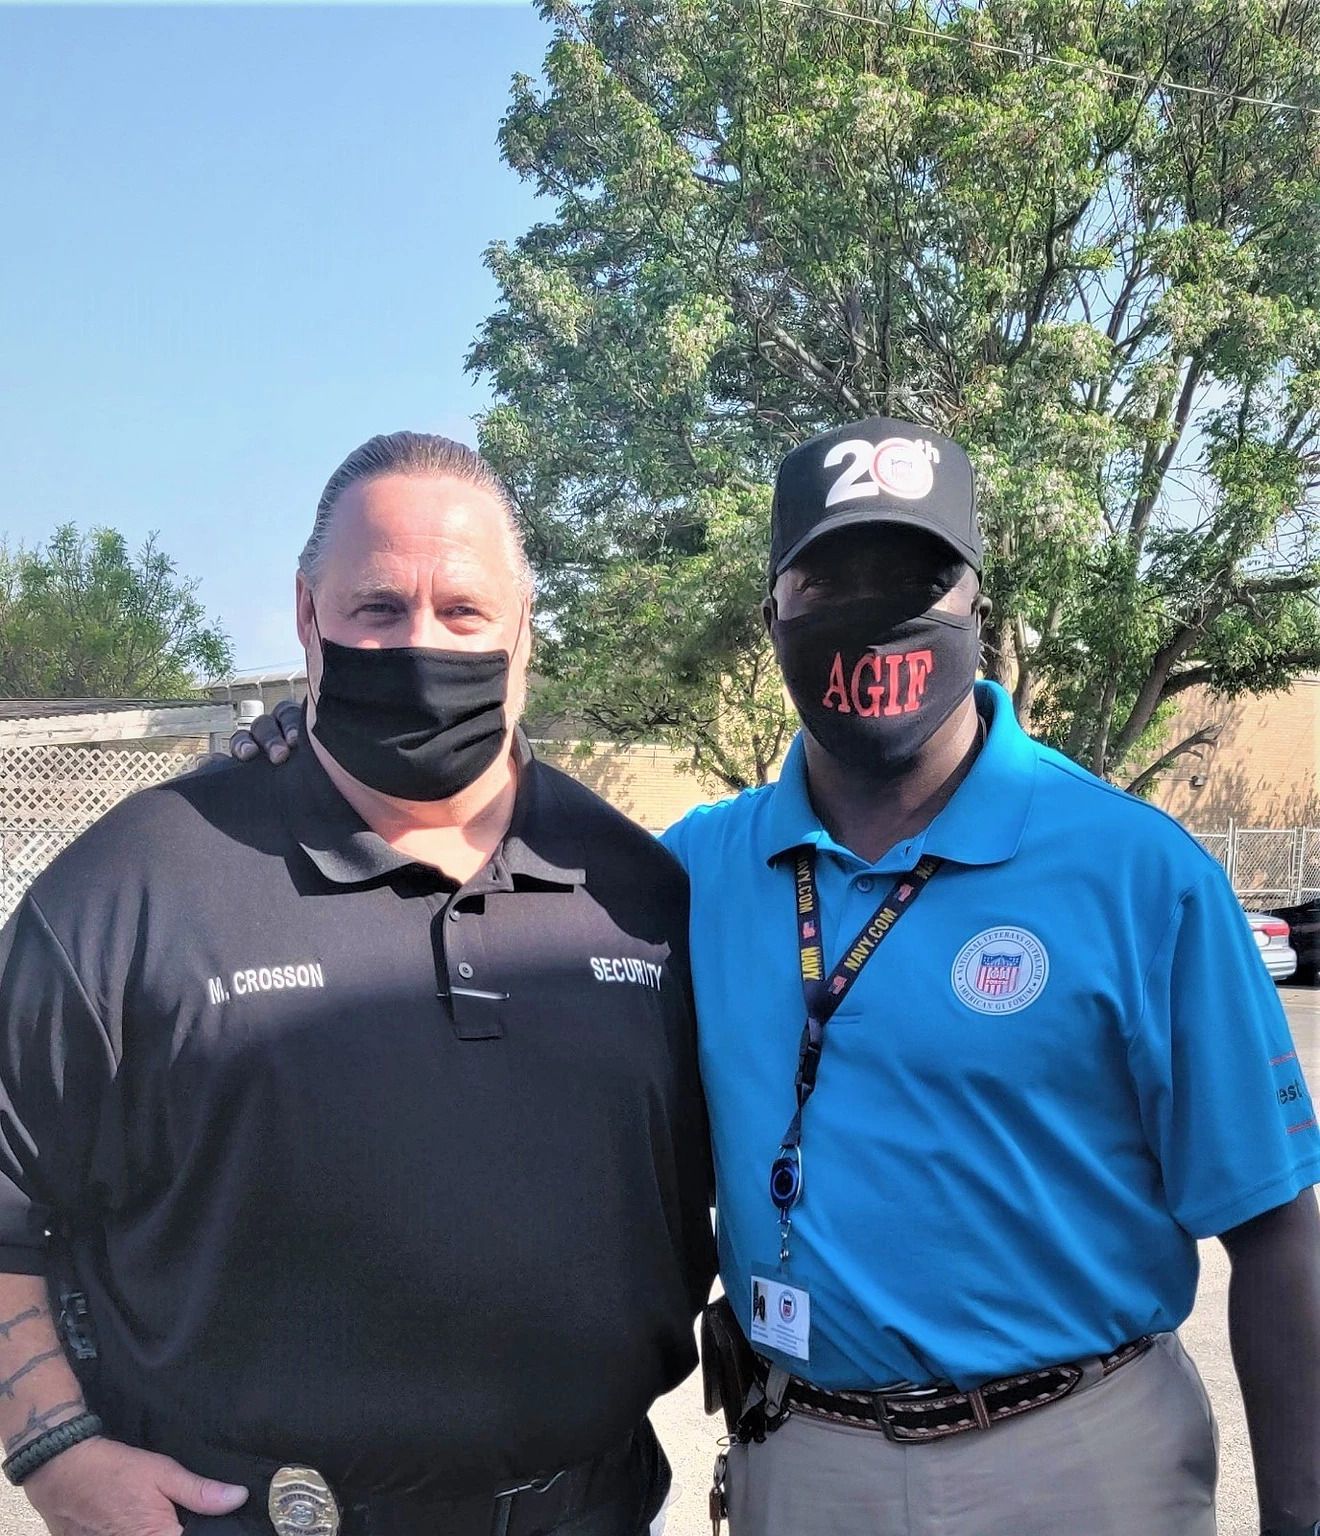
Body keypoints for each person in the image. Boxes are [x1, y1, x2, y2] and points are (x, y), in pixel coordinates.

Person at [236, 418, 1320, 1536]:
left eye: (916, 578)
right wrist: (307, 761)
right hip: (798, 1459)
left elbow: (1278, 1226)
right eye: (829, 581)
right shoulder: (692, 868)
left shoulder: (1136, 872)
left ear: (976, 614)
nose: (875, 611)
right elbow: (484, 850)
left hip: (1073, 1463)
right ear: (772, 621)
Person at [0, 431, 715, 1536]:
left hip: (596, 1510)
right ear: (306, 613)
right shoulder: (133, 888)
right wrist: (54, 1451)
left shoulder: (640, 890)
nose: (421, 646)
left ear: (525, 628)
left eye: (464, 612)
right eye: (379, 609)